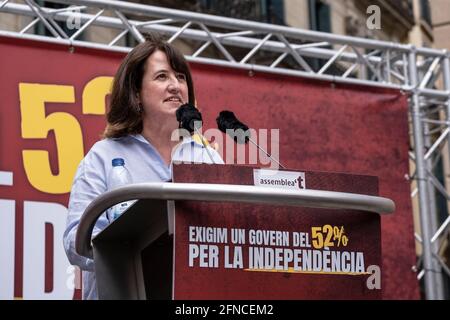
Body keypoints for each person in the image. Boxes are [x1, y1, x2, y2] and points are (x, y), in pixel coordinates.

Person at [63, 33, 223, 300]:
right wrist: (130, 248)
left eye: (180, 77)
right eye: (162, 77)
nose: (175, 86)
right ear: (136, 94)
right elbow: (75, 242)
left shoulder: (207, 156)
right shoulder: (103, 157)